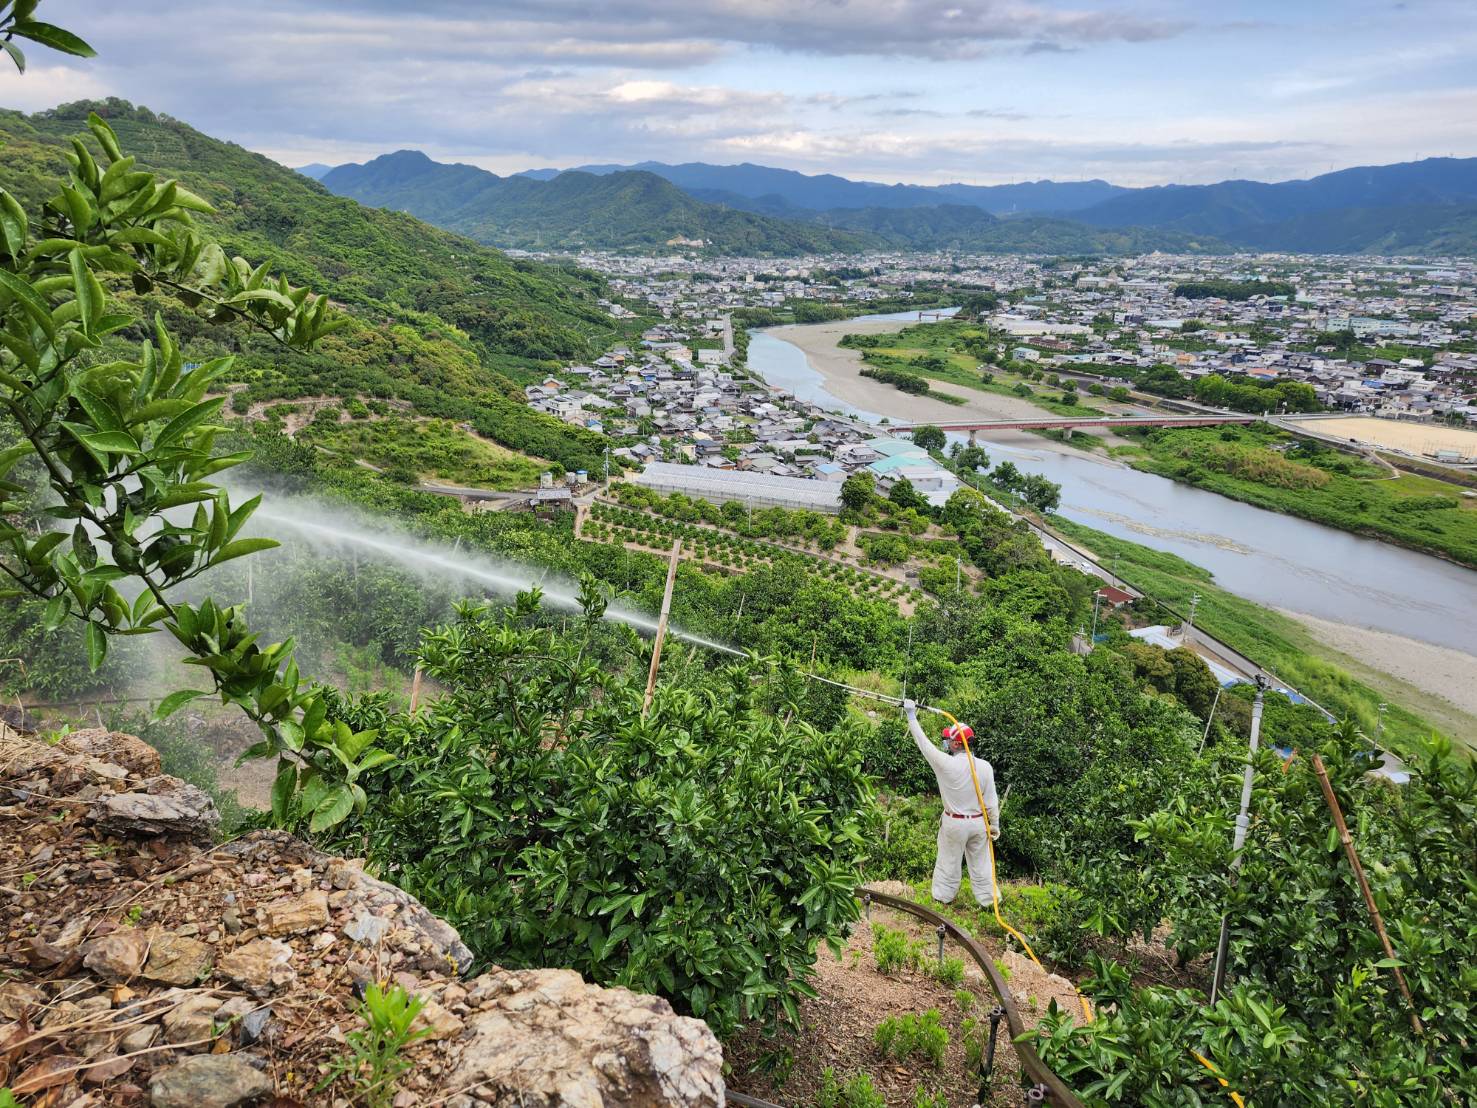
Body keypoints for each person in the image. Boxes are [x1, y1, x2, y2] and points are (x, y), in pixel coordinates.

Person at [902, 698, 1001, 908]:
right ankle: (989, 902)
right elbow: (991, 801)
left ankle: (943, 899)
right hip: (978, 824)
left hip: (954, 823)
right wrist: (994, 825)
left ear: (957, 743)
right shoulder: (985, 767)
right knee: (982, 865)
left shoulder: (945, 764)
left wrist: (911, 716)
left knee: (949, 862)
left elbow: (923, 743)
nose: (945, 742)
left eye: (948, 739)